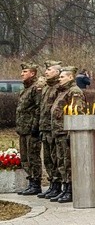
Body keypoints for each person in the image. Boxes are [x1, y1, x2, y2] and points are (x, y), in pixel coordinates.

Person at [50, 66, 85, 203]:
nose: (59, 79)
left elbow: (77, 113)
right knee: (61, 162)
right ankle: (65, 188)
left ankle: (70, 189)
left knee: (68, 162)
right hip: (59, 132)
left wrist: (72, 133)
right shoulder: (63, 91)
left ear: (71, 77)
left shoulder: (74, 92)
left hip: (66, 132)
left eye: (62, 77)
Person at [15, 62, 43, 195]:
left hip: (31, 129)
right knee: (25, 158)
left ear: (32, 73)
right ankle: (31, 181)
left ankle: (36, 183)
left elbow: (38, 109)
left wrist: (35, 126)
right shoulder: (25, 89)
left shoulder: (35, 88)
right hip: (23, 129)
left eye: (25, 72)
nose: (22, 74)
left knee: (33, 157)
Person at [37, 60, 63, 199]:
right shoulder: (47, 87)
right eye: (46, 70)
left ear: (57, 72)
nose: (46, 72)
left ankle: (58, 185)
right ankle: (53, 184)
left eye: (50, 70)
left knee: (55, 158)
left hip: (54, 128)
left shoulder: (59, 87)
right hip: (45, 128)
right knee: (47, 159)